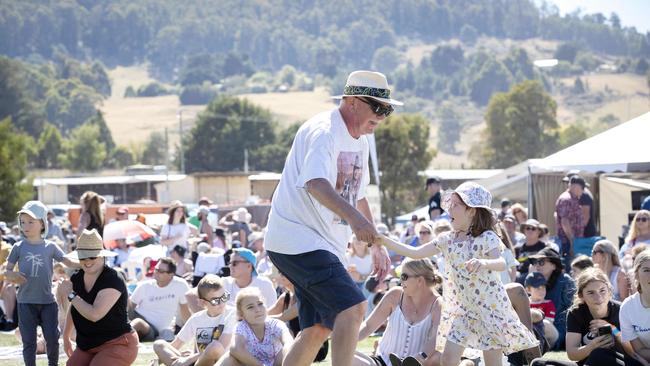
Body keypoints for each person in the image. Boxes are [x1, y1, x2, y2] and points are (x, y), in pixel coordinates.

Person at [264, 70, 395, 366]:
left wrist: (377, 242)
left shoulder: (359, 140)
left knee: (317, 329)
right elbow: (315, 183)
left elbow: (358, 196)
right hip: (298, 239)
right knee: (353, 308)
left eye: (387, 109)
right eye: (377, 106)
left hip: (312, 244)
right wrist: (355, 221)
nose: (382, 115)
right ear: (351, 101)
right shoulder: (325, 132)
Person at [380, 182, 538, 366]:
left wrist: (484, 262)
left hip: (488, 310)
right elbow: (414, 252)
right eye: (450, 204)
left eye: (456, 205)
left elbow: (501, 262)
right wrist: (383, 240)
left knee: (493, 363)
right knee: (447, 360)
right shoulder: (447, 239)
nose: (449, 210)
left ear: (471, 211)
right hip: (462, 312)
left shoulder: (486, 237)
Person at [353, 258, 470, 366]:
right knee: (347, 356)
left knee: (439, 357)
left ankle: (466, 363)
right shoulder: (395, 295)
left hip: (417, 364)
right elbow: (368, 326)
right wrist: (349, 340)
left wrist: (420, 357)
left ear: (419, 280)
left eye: (404, 276)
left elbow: (437, 339)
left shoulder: (438, 305)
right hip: (382, 361)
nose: (400, 280)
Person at [4, 201, 80, 366]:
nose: (26, 226)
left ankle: (53, 364)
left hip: (48, 301)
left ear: (42, 223)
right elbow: (6, 271)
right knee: (29, 341)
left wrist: (84, 262)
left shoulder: (50, 246)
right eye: (23, 222)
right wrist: (13, 275)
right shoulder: (17, 247)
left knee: (52, 339)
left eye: (31, 222)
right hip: (25, 303)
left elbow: (66, 260)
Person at [530, 267, 640, 366]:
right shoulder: (576, 313)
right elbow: (572, 354)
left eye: (602, 290)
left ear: (609, 291)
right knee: (538, 363)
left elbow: (634, 352)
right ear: (581, 296)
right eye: (591, 293)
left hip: (619, 361)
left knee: (599, 354)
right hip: (587, 362)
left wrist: (614, 330)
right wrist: (591, 346)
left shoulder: (622, 310)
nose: (598, 297)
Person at [59, 229, 138, 366]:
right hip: (88, 344)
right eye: (83, 257)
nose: (87, 261)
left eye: (92, 257)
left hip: (118, 342)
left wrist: (70, 294)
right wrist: (66, 337)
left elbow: (95, 314)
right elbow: (76, 306)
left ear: (102, 256)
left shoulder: (113, 279)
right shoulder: (77, 278)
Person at [154, 274, 236, 366]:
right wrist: (157, 360)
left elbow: (221, 347)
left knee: (215, 347)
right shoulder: (196, 318)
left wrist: (190, 358)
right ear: (202, 302)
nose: (222, 303)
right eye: (215, 301)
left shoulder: (231, 313)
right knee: (159, 344)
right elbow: (176, 344)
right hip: (197, 362)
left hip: (220, 362)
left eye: (224, 297)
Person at [217, 288, 293, 366]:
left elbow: (289, 342)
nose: (257, 309)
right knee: (228, 357)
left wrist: (288, 348)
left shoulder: (275, 324)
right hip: (253, 364)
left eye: (260, 304)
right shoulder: (242, 327)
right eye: (250, 307)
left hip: (277, 364)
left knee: (289, 349)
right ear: (241, 314)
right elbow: (235, 348)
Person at [129, 257, 191, 342]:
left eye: (161, 271)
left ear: (171, 275)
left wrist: (191, 331)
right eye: (156, 269)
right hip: (137, 316)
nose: (156, 272)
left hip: (153, 329)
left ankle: (117, 337)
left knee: (138, 323)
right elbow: (130, 307)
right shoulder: (145, 285)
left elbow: (185, 310)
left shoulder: (180, 285)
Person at [529, 247, 577, 349]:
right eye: (535, 262)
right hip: (537, 327)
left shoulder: (566, 282)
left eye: (541, 262)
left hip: (559, 331)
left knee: (544, 323)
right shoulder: (534, 281)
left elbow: (575, 310)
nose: (537, 265)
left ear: (554, 265)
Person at [620, 250, 650, 365]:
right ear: (636, 274)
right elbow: (639, 350)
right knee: (599, 355)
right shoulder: (627, 308)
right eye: (647, 270)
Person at [555, 176, 585, 268]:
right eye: (582, 188)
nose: (583, 191)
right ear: (575, 186)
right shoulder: (566, 199)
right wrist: (572, 241)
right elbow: (564, 222)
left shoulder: (573, 198)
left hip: (573, 240)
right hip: (568, 242)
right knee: (570, 266)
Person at [525, 272, 559, 348]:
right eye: (537, 288)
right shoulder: (525, 303)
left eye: (543, 287)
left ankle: (542, 346)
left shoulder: (548, 304)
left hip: (546, 335)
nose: (542, 291)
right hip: (528, 334)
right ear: (528, 290)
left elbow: (548, 324)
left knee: (545, 323)